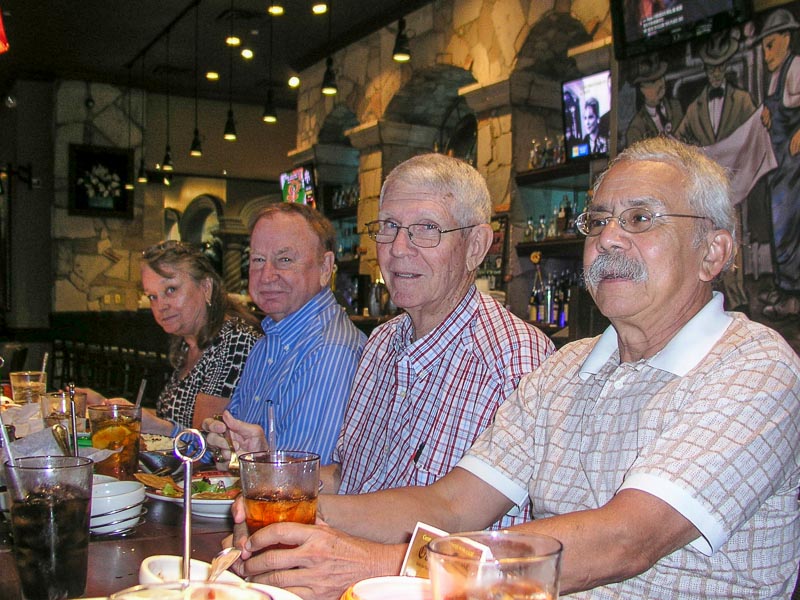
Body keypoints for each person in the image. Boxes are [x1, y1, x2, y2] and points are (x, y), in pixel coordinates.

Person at [232, 138, 800, 600]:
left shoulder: (755, 366)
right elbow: (451, 504)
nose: (608, 238)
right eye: (598, 220)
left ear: (713, 253)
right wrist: (289, 508)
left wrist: (382, 565)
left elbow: (626, 539)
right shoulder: (569, 369)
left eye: (640, 218)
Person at [222, 153, 555, 596]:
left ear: (477, 245)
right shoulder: (382, 342)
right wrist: (280, 493)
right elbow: (351, 476)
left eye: (426, 229)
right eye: (389, 227)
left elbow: (502, 553)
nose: (398, 248)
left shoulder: (515, 361)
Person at [207, 202, 366, 464]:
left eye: (285, 259)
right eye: (258, 259)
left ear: (325, 268)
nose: (267, 275)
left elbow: (303, 483)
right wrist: (220, 440)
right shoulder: (268, 342)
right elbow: (234, 437)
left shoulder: (330, 351)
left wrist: (247, 456)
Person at [83, 240, 262, 434]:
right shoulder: (188, 344)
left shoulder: (234, 341)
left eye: (171, 290)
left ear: (206, 287)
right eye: (153, 296)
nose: (161, 306)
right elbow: (172, 418)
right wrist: (106, 407)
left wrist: (143, 420)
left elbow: (207, 443)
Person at [674, 28, 756, 314]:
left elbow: (753, 131)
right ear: (707, 70)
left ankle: (737, 294)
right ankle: (717, 295)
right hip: (703, 192)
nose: (717, 72)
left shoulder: (743, 100)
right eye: (712, 67)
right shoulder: (695, 108)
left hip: (735, 186)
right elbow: (677, 139)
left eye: (721, 66)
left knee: (735, 239)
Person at [755, 7, 800, 319]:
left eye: (771, 45)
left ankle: (793, 294)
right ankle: (787, 288)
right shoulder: (775, 77)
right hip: (779, 166)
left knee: (787, 226)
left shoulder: (796, 68)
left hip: (793, 166)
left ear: (786, 38)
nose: (766, 53)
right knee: (778, 226)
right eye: (763, 48)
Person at [625, 54, 684, 145]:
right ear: (641, 89)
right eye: (653, 82)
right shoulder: (636, 129)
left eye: (661, 78)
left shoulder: (676, 107)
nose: (661, 84)